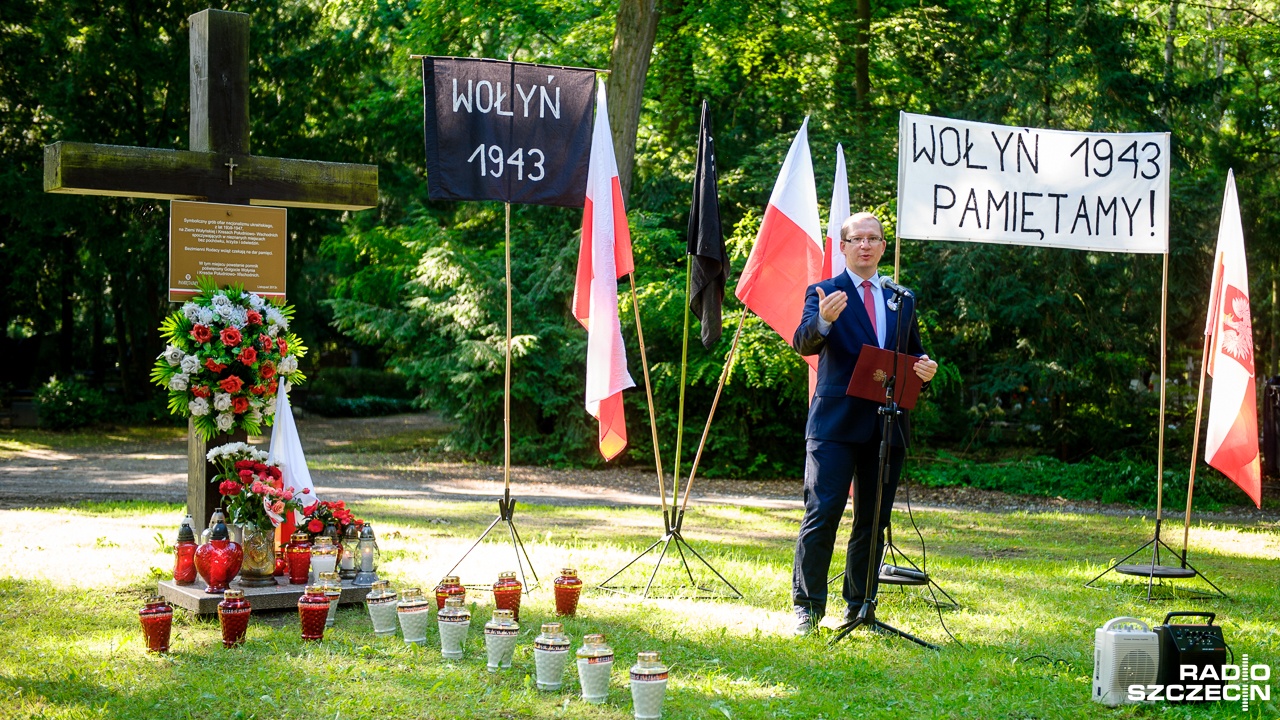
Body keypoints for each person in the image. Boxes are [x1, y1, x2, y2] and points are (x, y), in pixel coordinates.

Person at [790, 211, 938, 636]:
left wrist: (925, 370)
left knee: (873, 521)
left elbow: (912, 354)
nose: (865, 245)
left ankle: (860, 606)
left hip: (886, 427)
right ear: (843, 246)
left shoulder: (901, 298)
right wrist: (824, 320)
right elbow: (803, 342)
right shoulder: (825, 291)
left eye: (873, 238)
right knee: (823, 513)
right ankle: (808, 609)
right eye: (857, 239)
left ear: (883, 247)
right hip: (835, 426)